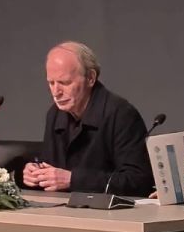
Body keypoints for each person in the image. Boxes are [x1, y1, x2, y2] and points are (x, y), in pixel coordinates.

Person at [23, 41, 153, 196]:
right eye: (51, 83)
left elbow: (138, 181)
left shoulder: (121, 114)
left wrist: (73, 180)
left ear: (91, 78)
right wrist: (36, 174)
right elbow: (53, 172)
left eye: (65, 82)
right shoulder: (55, 114)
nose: (56, 92)